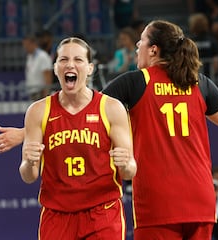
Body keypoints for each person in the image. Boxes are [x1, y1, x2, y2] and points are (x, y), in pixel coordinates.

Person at [0, 20, 218, 240]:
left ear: (153, 51)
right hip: (200, 199)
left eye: (141, 42)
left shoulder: (136, 82)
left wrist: (28, 132)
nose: (137, 47)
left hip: (158, 201)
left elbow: (83, 110)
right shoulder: (198, 84)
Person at [19, 37, 136, 239]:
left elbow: (129, 171)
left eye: (78, 60)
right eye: (63, 59)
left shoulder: (111, 108)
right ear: (55, 67)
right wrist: (29, 162)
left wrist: (125, 164)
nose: (70, 64)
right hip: (57, 216)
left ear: (90, 68)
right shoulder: (38, 111)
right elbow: (28, 176)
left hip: (102, 213)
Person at [22, 33, 53, 101]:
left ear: (33, 44)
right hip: (33, 91)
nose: (25, 47)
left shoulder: (43, 56)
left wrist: (46, 94)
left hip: (41, 92)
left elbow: (47, 75)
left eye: (27, 45)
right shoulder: (30, 57)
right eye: (24, 45)